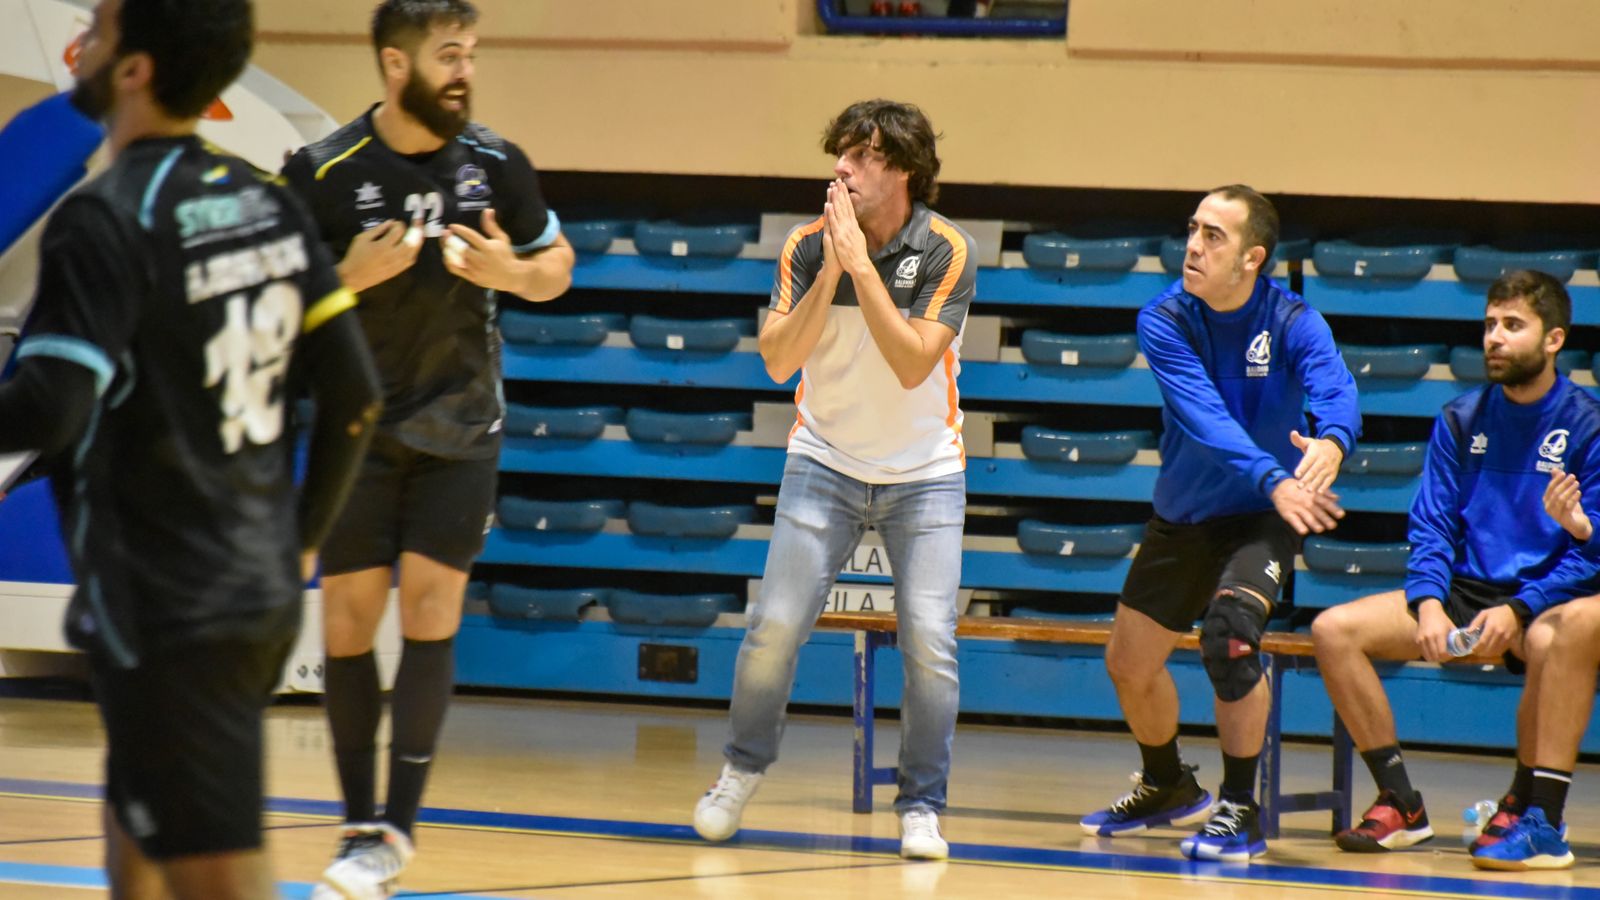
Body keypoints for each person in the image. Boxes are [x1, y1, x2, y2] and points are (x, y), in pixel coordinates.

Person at [0, 1, 381, 897]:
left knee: (217, 870)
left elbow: (50, 406)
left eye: (98, 28)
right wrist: (300, 542)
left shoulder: (107, 217)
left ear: (135, 69)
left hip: (168, 593)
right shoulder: (267, 204)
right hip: (244, 579)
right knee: (134, 832)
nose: (80, 45)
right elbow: (355, 395)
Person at [281, 0, 574, 895]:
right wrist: (346, 275)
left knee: (431, 612)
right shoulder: (321, 171)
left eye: (470, 53)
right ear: (394, 64)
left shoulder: (496, 163)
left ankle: (397, 831)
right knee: (346, 623)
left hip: (460, 426)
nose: (464, 71)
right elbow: (270, 299)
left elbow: (557, 268)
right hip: (356, 431)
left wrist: (511, 273)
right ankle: (355, 825)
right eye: (448, 55)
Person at [691, 99, 976, 860]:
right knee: (774, 627)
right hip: (823, 461)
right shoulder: (805, 245)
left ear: (904, 171)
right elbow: (778, 359)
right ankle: (740, 771)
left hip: (925, 473)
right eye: (840, 154)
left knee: (930, 641)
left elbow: (912, 363)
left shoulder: (948, 249)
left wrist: (863, 269)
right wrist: (834, 268)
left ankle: (921, 805)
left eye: (863, 156)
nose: (843, 169)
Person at [1081, 185, 1360, 862]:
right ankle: (1168, 783)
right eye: (1193, 230)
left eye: (1214, 236)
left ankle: (1240, 806)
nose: (1194, 247)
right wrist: (1276, 476)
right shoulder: (1165, 319)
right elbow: (1205, 418)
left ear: (1252, 258)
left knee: (1230, 640)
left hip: (1262, 518)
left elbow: (1338, 390)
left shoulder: (1293, 321)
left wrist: (1333, 441)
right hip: (1190, 512)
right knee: (1128, 664)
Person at [1312, 270, 1600, 868]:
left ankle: (1528, 805)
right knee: (1334, 630)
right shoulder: (1461, 419)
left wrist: (1520, 607)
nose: (1494, 337)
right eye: (1490, 324)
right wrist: (1429, 604)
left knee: (1547, 638)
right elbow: (1432, 526)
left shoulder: (1588, 424)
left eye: (1513, 325)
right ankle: (1400, 802)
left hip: (1551, 595)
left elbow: (1590, 552)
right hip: (1470, 591)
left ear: (1554, 340)